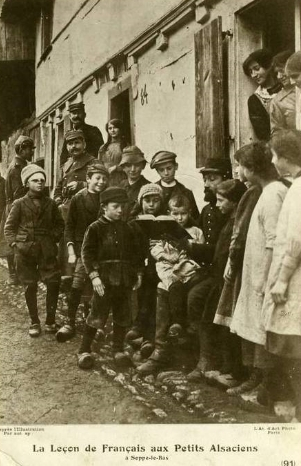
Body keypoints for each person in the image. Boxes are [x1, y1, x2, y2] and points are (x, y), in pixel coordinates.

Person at [137, 160, 232, 376]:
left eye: (213, 179)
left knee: (192, 295)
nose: (208, 184)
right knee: (163, 287)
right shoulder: (209, 209)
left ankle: (197, 357)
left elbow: (218, 249)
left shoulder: (228, 209)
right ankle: (162, 350)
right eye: (205, 179)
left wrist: (190, 247)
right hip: (198, 267)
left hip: (213, 270)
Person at [230, 142, 289, 397]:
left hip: (265, 276)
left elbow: (275, 241)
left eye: (240, 166)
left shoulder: (274, 193)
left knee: (263, 328)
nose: (238, 171)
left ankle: (267, 383)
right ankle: (256, 377)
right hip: (255, 272)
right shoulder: (263, 192)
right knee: (252, 325)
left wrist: (267, 279)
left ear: (252, 169)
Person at [78, 187, 143, 369]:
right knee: (97, 314)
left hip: (124, 279)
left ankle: (117, 349)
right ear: (104, 207)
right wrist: (94, 276)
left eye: (122, 207)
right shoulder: (95, 228)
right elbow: (87, 254)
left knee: (122, 314)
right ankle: (84, 349)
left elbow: (135, 253)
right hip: (103, 280)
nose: (120, 210)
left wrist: (138, 273)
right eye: (115, 207)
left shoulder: (127, 228)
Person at [262, 130, 301, 420]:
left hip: (295, 277)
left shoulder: (299, 191)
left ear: (287, 159)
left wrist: (283, 279)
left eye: (276, 156)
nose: (274, 162)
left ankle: (294, 406)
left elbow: (297, 239)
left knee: (290, 343)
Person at [4, 164, 64, 337]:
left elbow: (60, 224)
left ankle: (51, 321)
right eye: (35, 180)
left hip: (47, 249)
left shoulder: (51, 204)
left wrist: (53, 238)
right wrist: (16, 245)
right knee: (30, 286)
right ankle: (34, 321)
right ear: (27, 183)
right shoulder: (19, 204)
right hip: (25, 250)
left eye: (42, 180)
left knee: (53, 282)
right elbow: (9, 228)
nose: (39, 183)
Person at [55, 162, 109, 342]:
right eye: (97, 178)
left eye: (104, 179)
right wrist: (71, 249)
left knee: (95, 287)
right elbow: (69, 226)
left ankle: (92, 324)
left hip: (100, 249)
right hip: (80, 248)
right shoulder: (78, 198)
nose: (101, 182)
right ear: (88, 179)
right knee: (77, 283)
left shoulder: (106, 199)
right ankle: (69, 321)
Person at [150, 194, 205, 339]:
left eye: (183, 214)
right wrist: (166, 256)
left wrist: (190, 249)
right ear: (169, 214)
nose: (180, 218)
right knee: (173, 286)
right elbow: (155, 249)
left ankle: (184, 331)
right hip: (168, 266)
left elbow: (201, 251)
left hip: (187, 266)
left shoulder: (196, 231)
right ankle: (176, 323)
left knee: (193, 279)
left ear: (189, 213)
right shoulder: (163, 230)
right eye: (175, 214)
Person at [3, 135, 35, 284]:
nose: (32, 152)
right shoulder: (17, 168)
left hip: (14, 206)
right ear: (22, 149)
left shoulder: (18, 164)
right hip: (16, 207)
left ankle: (15, 274)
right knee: (15, 239)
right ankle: (14, 275)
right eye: (29, 149)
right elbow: (18, 192)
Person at [243, 49, 282, 141]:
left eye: (256, 69)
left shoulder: (289, 88)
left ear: (269, 66)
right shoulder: (255, 100)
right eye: (250, 72)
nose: (253, 75)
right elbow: (263, 135)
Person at [150, 151, 199, 220]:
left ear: (176, 166)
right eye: (161, 170)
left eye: (169, 168)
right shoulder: (151, 191)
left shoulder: (186, 193)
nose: (166, 173)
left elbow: (195, 219)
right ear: (157, 171)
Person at [119, 146, 150, 220]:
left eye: (137, 165)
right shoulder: (119, 186)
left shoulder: (148, 188)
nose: (133, 169)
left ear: (143, 166)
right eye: (128, 165)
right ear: (123, 167)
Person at [270, 51, 296, 135]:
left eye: (281, 71)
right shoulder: (278, 101)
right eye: (277, 73)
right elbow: (278, 136)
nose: (279, 76)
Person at [98, 119, 128, 186]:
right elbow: (99, 164)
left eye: (115, 127)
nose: (112, 130)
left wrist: (116, 168)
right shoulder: (103, 148)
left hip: (121, 178)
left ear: (120, 129)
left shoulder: (126, 146)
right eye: (110, 128)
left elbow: (128, 165)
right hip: (106, 178)